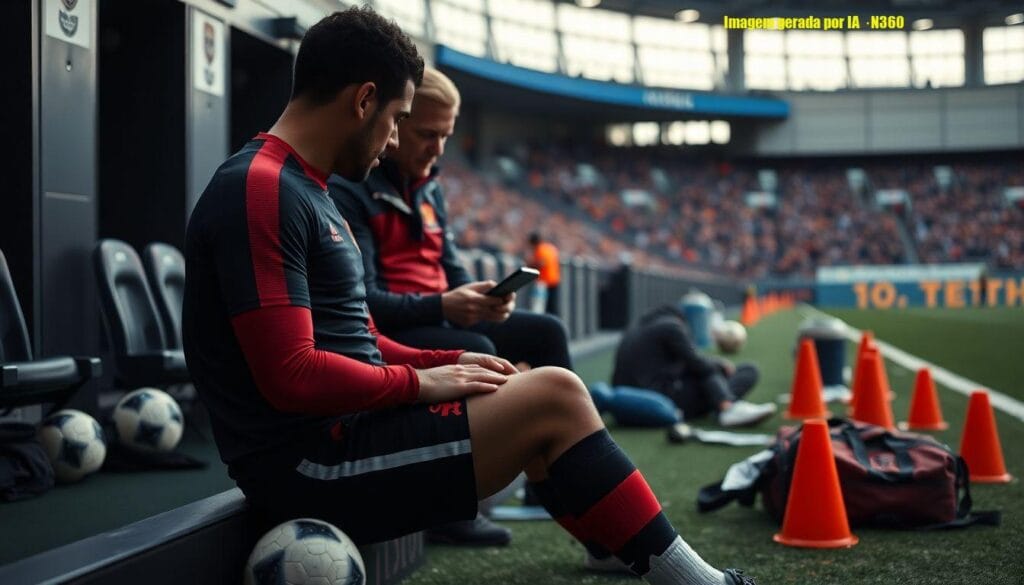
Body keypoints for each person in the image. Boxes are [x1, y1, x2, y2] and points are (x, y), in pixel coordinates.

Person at [182, 9, 754, 584]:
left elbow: (358, 337)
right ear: (363, 101)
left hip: (345, 429)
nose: (395, 140)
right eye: (399, 118)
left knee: (522, 380)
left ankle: (612, 542)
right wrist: (421, 382)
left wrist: (448, 361)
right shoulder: (261, 189)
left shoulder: (305, 186)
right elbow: (292, 374)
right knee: (554, 394)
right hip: (309, 465)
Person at [328, 68, 571, 377]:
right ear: (395, 124)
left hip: (440, 317)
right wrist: (442, 306)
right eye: (428, 135)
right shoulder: (352, 189)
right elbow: (365, 301)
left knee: (549, 330)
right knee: (479, 348)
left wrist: (485, 300)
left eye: (445, 136)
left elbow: (454, 272)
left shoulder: (430, 189)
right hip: (395, 330)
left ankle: (566, 423)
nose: (439, 149)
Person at [612, 305, 776, 428]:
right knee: (744, 370)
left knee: (706, 369)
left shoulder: (635, 329)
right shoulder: (672, 326)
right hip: (659, 403)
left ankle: (723, 405)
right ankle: (727, 406)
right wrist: (718, 363)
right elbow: (698, 364)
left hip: (623, 406)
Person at [527, 232, 561, 315]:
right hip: (554, 280)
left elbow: (542, 263)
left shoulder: (540, 249)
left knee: (541, 308)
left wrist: (530, 265)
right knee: (553, 307)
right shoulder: (550, 248)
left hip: (544, 282)